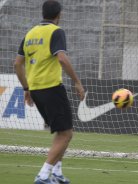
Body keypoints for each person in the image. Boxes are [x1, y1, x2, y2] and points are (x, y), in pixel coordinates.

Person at [14, 1, 85, 183]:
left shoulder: (30, 33)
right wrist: (77, 82)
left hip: (36, 90)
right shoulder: (56, 31)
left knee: (62, 132)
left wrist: (26, 88)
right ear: (58, 15)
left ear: (43, 13)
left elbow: (17, 63)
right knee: (66, 134)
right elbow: (61, 58)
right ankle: (43, 175)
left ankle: (57, 173)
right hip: (52, 87)